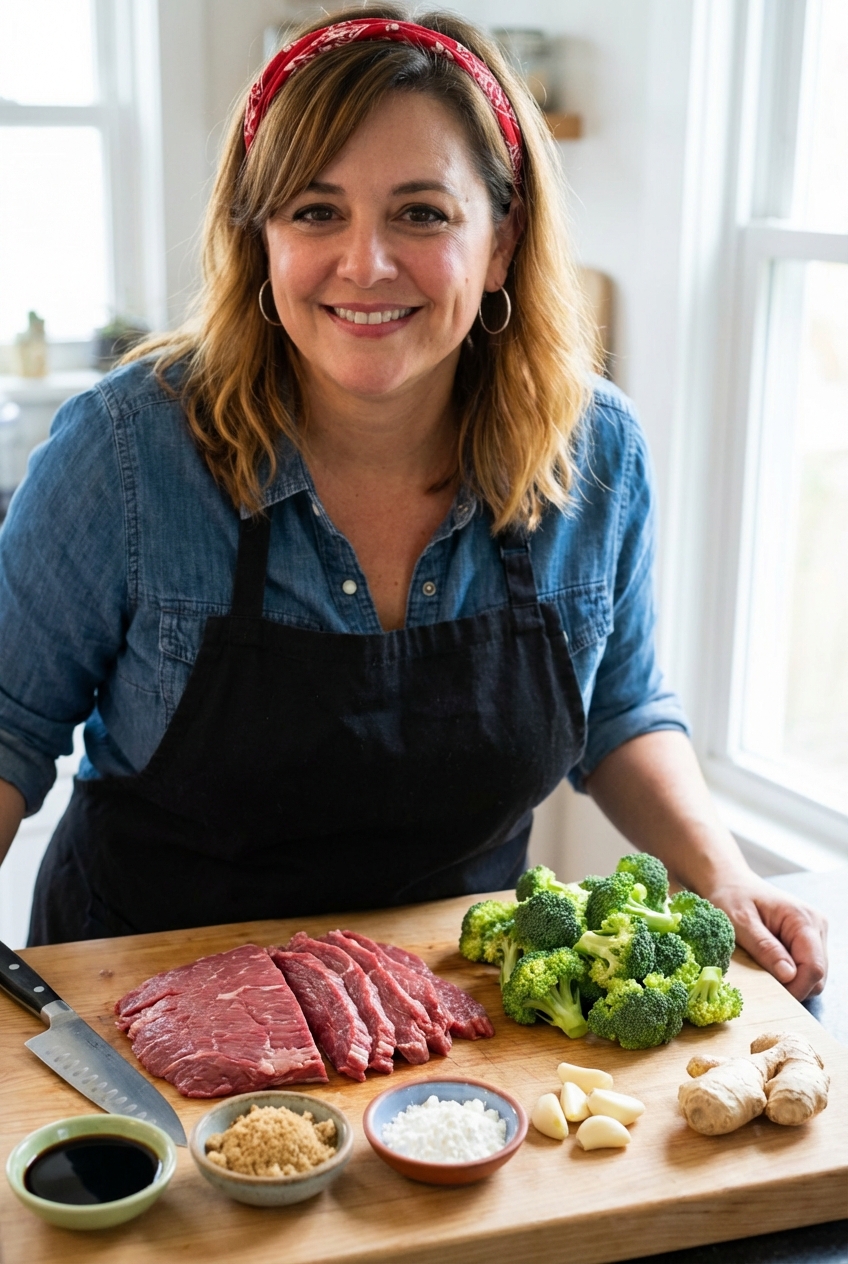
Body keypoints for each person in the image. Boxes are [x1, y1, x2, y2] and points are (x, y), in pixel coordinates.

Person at [0, 6, 826, 997]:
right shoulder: (128, 452)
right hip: (140, 1022)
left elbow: (620, 707)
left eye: (421, 213)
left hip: (449, 1020)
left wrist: (724, 876)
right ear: (256, 235)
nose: (365, 264)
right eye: (315, 211)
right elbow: (9, 727)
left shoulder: (595, 449)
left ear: (501, 240)